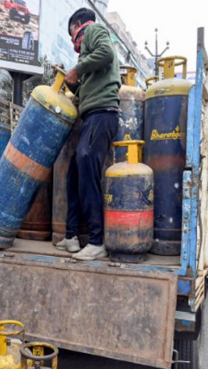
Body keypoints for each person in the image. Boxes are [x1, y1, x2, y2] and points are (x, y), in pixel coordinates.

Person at [54, 7, 121, 261]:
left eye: (72, 35)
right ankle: (72, 236)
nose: (74, 42)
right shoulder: (89, 62)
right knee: (74, 173)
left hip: (103, 114)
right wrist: (73, 84)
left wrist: (78, 69)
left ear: (79, 24)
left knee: (85, 164)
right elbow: (86, 89)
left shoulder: (93, 30)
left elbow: (107, 53)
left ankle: (96, 241)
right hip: (92, 116)